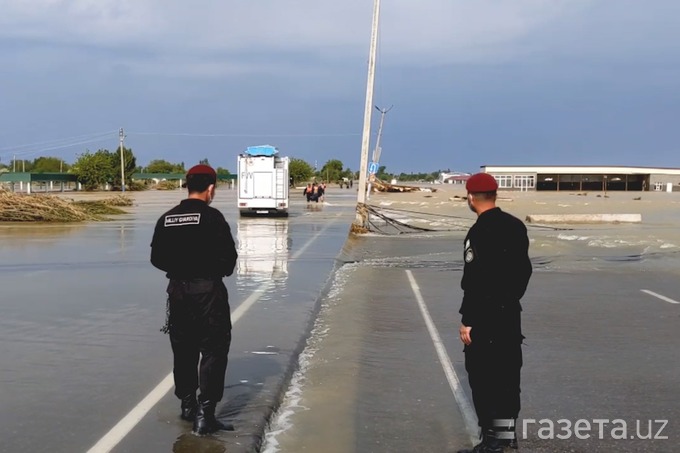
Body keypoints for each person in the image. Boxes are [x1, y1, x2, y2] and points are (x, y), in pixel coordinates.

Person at [150, 164, 238, 435]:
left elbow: (156, 258)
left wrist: (179, 269)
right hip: (207, 291)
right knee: (213, 348)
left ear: (187, 186)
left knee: (183, 348)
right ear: (211, 188)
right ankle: (205, 414)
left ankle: (187, 405)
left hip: (177, 291)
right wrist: (209, 270)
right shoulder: (213, 218)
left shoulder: (167, 218)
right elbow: (229, 260)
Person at [457, 173, 532, 453]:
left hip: (484, 319)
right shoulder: (515, 226)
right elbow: (523, 272)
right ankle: (507, 436)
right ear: (495, 194)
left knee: (484, 379)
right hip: (510, 315)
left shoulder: (477, 232)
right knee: (508, 378)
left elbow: (474, 280)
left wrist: (467, 320)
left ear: (470, 198)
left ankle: (492, 442)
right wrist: (509, 300)